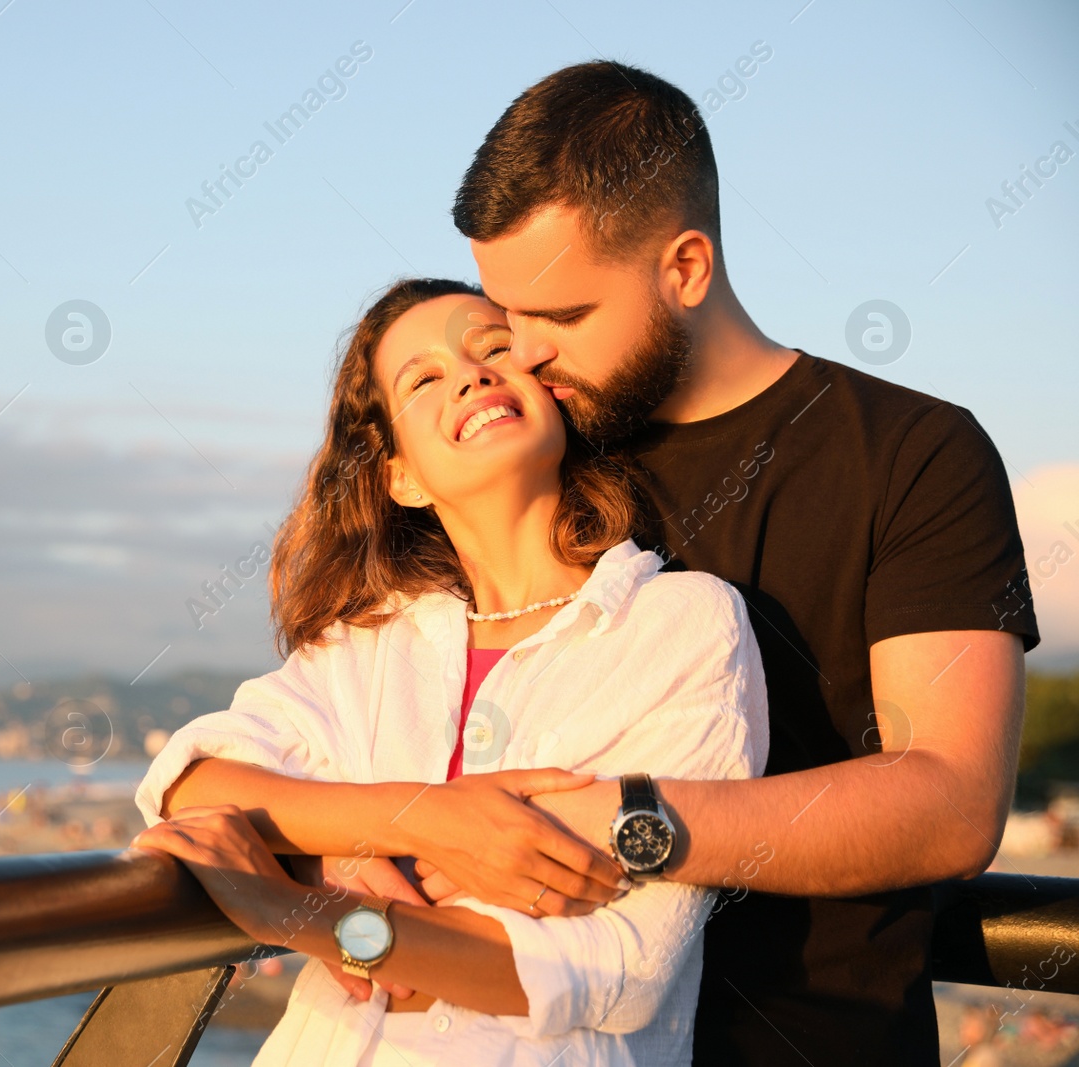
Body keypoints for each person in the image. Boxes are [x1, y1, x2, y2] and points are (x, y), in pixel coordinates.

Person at [388, 60, 1037, 1066]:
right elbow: (382, 708)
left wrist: (618, 820)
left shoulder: (912, 452)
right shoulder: (529, 459)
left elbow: (948, 802)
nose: (522, 355)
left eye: (561, 319)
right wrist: (350, 845)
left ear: (685, 267)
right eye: (504, 313)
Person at [132, 277, 769, 1065]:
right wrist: (417, 820)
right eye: (424, 378)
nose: (470, 375)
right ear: (401, 474)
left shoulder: (679, 624)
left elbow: (619, 969)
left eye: (494, 349)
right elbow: (191, 786)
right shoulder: (368, 644)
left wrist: (292, 907)